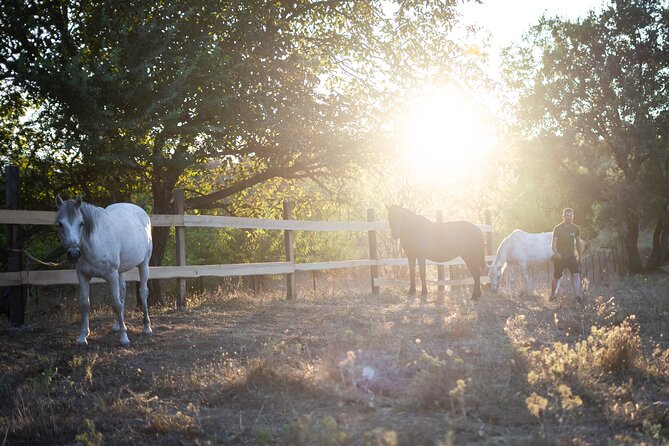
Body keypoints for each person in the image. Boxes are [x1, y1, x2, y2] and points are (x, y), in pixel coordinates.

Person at [549, 208, 583, 304]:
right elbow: (553, 244)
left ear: (573, 216)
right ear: (563, 217)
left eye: (571, 215)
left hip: (571, 257)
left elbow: (578, 243)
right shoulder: (558, 228)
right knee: (556, 277)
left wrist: (580, 256)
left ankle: (577, 296)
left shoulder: (576, 228)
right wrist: (556, 253)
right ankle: (552, 295)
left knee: (576, 275)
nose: (569, 217)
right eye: (567, 215)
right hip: (560, 257)